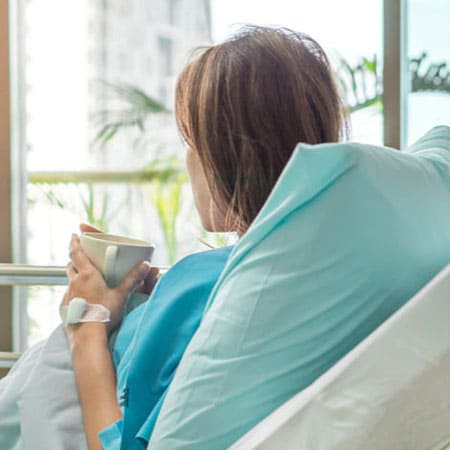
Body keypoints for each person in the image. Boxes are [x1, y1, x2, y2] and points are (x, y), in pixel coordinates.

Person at [0, 26, 346, 450]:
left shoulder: (207, 283)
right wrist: (145, 306)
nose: (188, 160)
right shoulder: (324, 279)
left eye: (191, 142)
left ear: (226, 155)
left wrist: (86, 322)